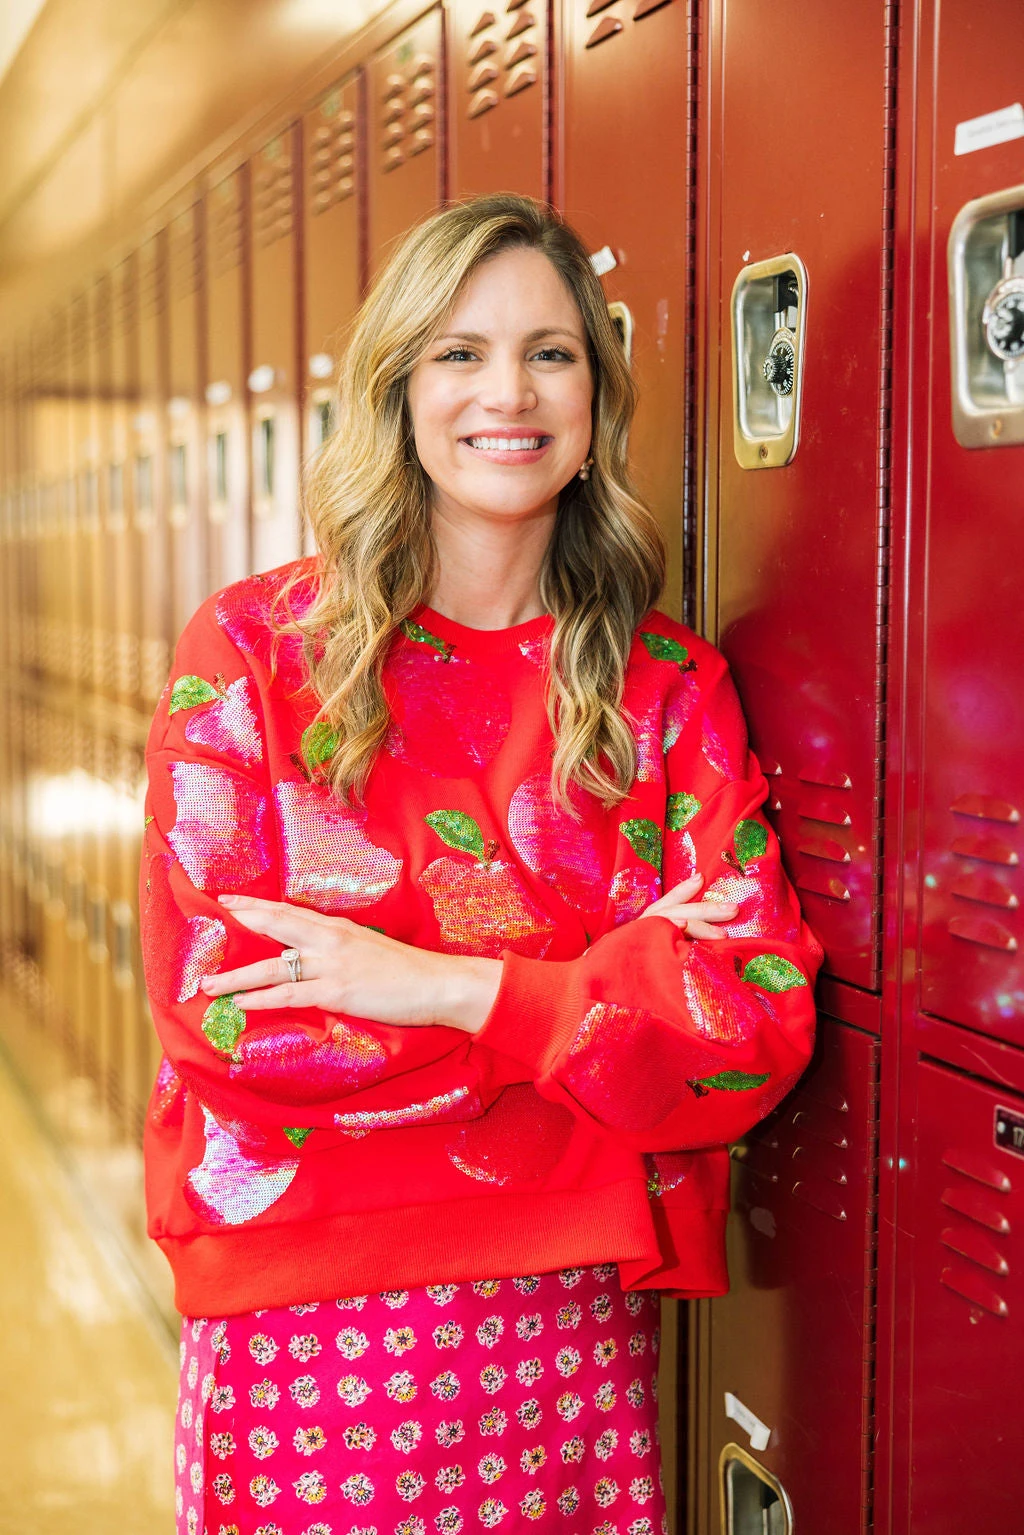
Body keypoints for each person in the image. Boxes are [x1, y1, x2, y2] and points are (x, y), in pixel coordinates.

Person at [141, 192, 820, 1535]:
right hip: (304, 1309)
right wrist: (599, 990)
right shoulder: (256, 659)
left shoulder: (664, 688)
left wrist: (438, 987)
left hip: (568, 1311)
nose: (506, 391)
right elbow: (229, 1021)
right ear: (396, 390)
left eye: (551, 352)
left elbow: (748, 1027)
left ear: (593, 397)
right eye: (459, 352)